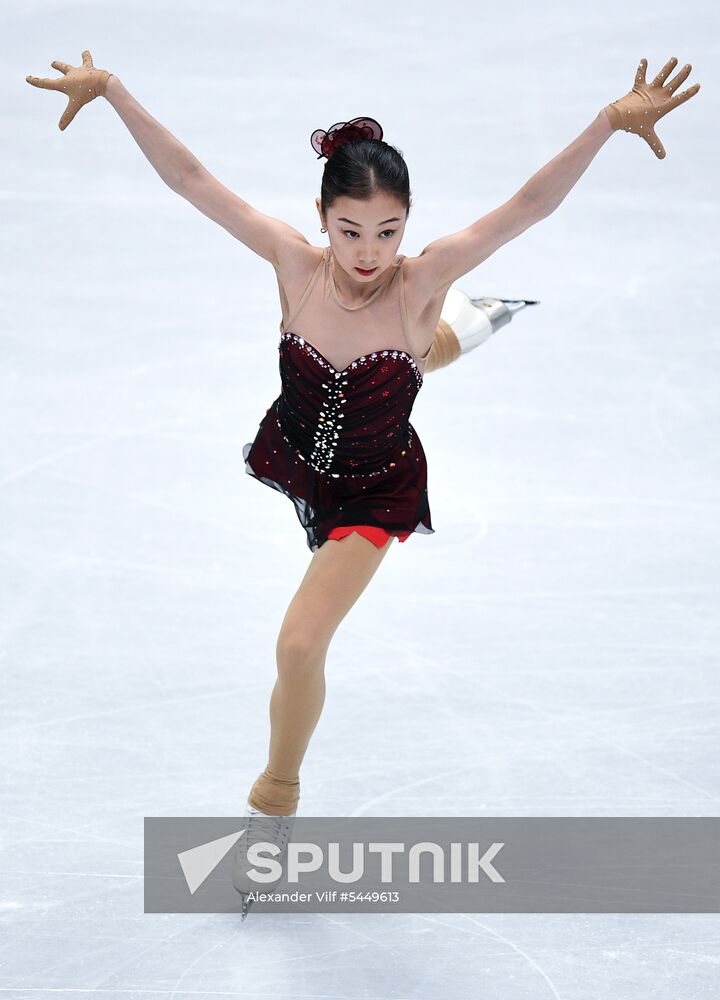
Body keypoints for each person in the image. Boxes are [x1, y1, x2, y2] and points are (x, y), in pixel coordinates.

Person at [26, 51, 701, 914]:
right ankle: (474, 328)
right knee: (422, 353)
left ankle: (273, 808)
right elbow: (192, 179)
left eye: (387, 232)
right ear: (323, 217)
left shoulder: (420, 278)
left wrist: (607, 123)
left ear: (407, 224)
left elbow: (528, 207)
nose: (369, 252)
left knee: (299, 645)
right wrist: (115, 91)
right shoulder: (294, 264)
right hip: (300, 452)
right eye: (350, 230)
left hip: (376, 486)